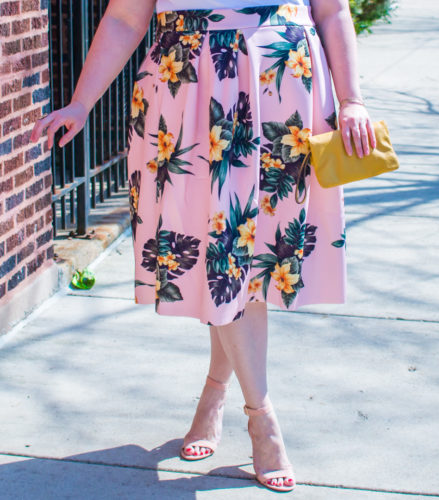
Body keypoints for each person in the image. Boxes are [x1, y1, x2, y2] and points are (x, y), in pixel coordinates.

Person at [30, 0, 375, 493]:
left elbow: (333, 11)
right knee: (222, 259)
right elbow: (126, 17)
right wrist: (82, 102)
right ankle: (263, 419)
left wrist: (353, 99)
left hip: (283, 89)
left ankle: (216, 395)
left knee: (246, 265)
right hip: (186, 95)